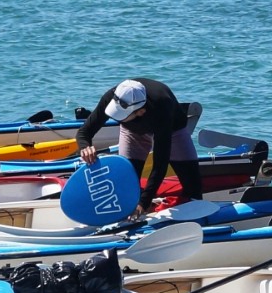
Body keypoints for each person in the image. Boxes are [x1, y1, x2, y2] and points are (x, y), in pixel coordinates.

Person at [77, 77, 203, 215]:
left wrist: (144, 202)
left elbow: (160, 164)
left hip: (173, 131)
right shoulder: (113, 96)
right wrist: (85, 147)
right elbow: (84, 132)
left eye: (122, 115)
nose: (116, 118)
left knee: (194, 189)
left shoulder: (161, 107)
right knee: (128, 186)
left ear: (140, 111)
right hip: (133, 133)